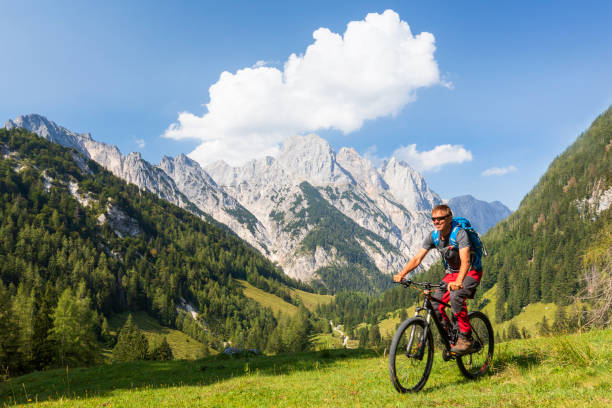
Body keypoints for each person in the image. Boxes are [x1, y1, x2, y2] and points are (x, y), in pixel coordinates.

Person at [393, 204, 482, 354]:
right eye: (434, 219)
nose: (436, 222)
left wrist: (459, 282)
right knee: (435, 305)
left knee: (456, 296)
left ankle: (465, 337)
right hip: (451, 274)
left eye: (440, 218)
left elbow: (465, 260)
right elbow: (417, 259)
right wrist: (402, 274)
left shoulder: (459, 234)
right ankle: (451, 337)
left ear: (449, 218)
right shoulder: (433, 236)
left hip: (470, 272)